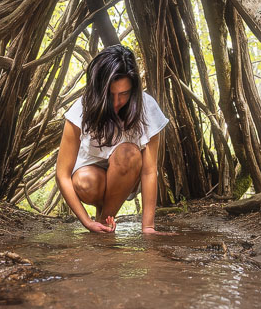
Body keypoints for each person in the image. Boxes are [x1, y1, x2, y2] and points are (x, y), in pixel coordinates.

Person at [55, 45, 173, 234]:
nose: (117, 102)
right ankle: (100, 222)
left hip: (128, 173)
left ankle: (104, 221)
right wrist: (86, 222)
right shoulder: (81, 109)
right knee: (85, 181)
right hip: (90, 181)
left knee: (128, 153)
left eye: (124, 94)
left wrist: (148, 226)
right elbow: (62, 174)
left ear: (133, 90)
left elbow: (150, 172)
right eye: (111, 95)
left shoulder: (147, 108)